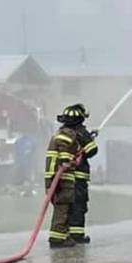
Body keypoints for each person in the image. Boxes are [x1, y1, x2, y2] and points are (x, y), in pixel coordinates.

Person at [44, 105, 83, 248]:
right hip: (62, 180)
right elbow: (65, 160)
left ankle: (62, 235)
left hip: (56, 179)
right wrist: (73, 162)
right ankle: (57, 239)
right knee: (63, 208)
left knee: (64, 208)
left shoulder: (61, 134)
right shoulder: (67, 136)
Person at [66, 104, 98, 244]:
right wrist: (89, 140)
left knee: (66, 206)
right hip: (78, 178)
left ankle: (64, 234)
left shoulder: (63, 132)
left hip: (64, 177)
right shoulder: (81, 131)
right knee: (79, 206)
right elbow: (92, 151)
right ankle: (77, 235)